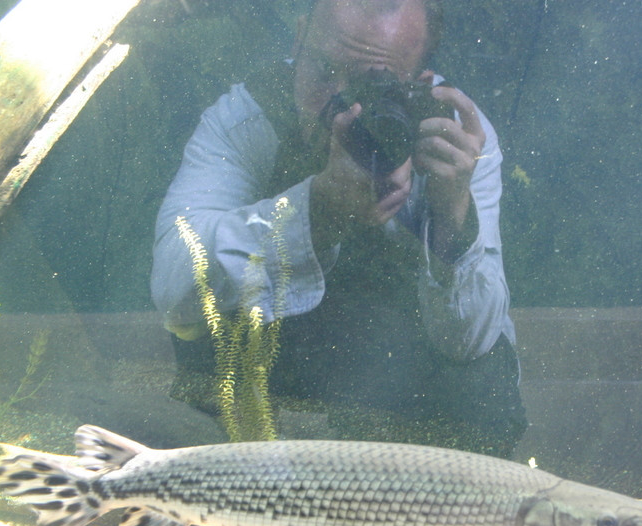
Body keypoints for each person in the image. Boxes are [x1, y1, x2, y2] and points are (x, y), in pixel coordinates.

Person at [151, 0, 525, 456]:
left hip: (420, 443)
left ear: (421, 83)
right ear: (299, 39)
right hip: (259, 440)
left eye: (373, 83)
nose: (339, 108)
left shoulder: (455, 139)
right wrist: (315, 213)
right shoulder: (244, 122)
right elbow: (174, 294)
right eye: (324, 70)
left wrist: (451, 219)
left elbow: (472, 342)